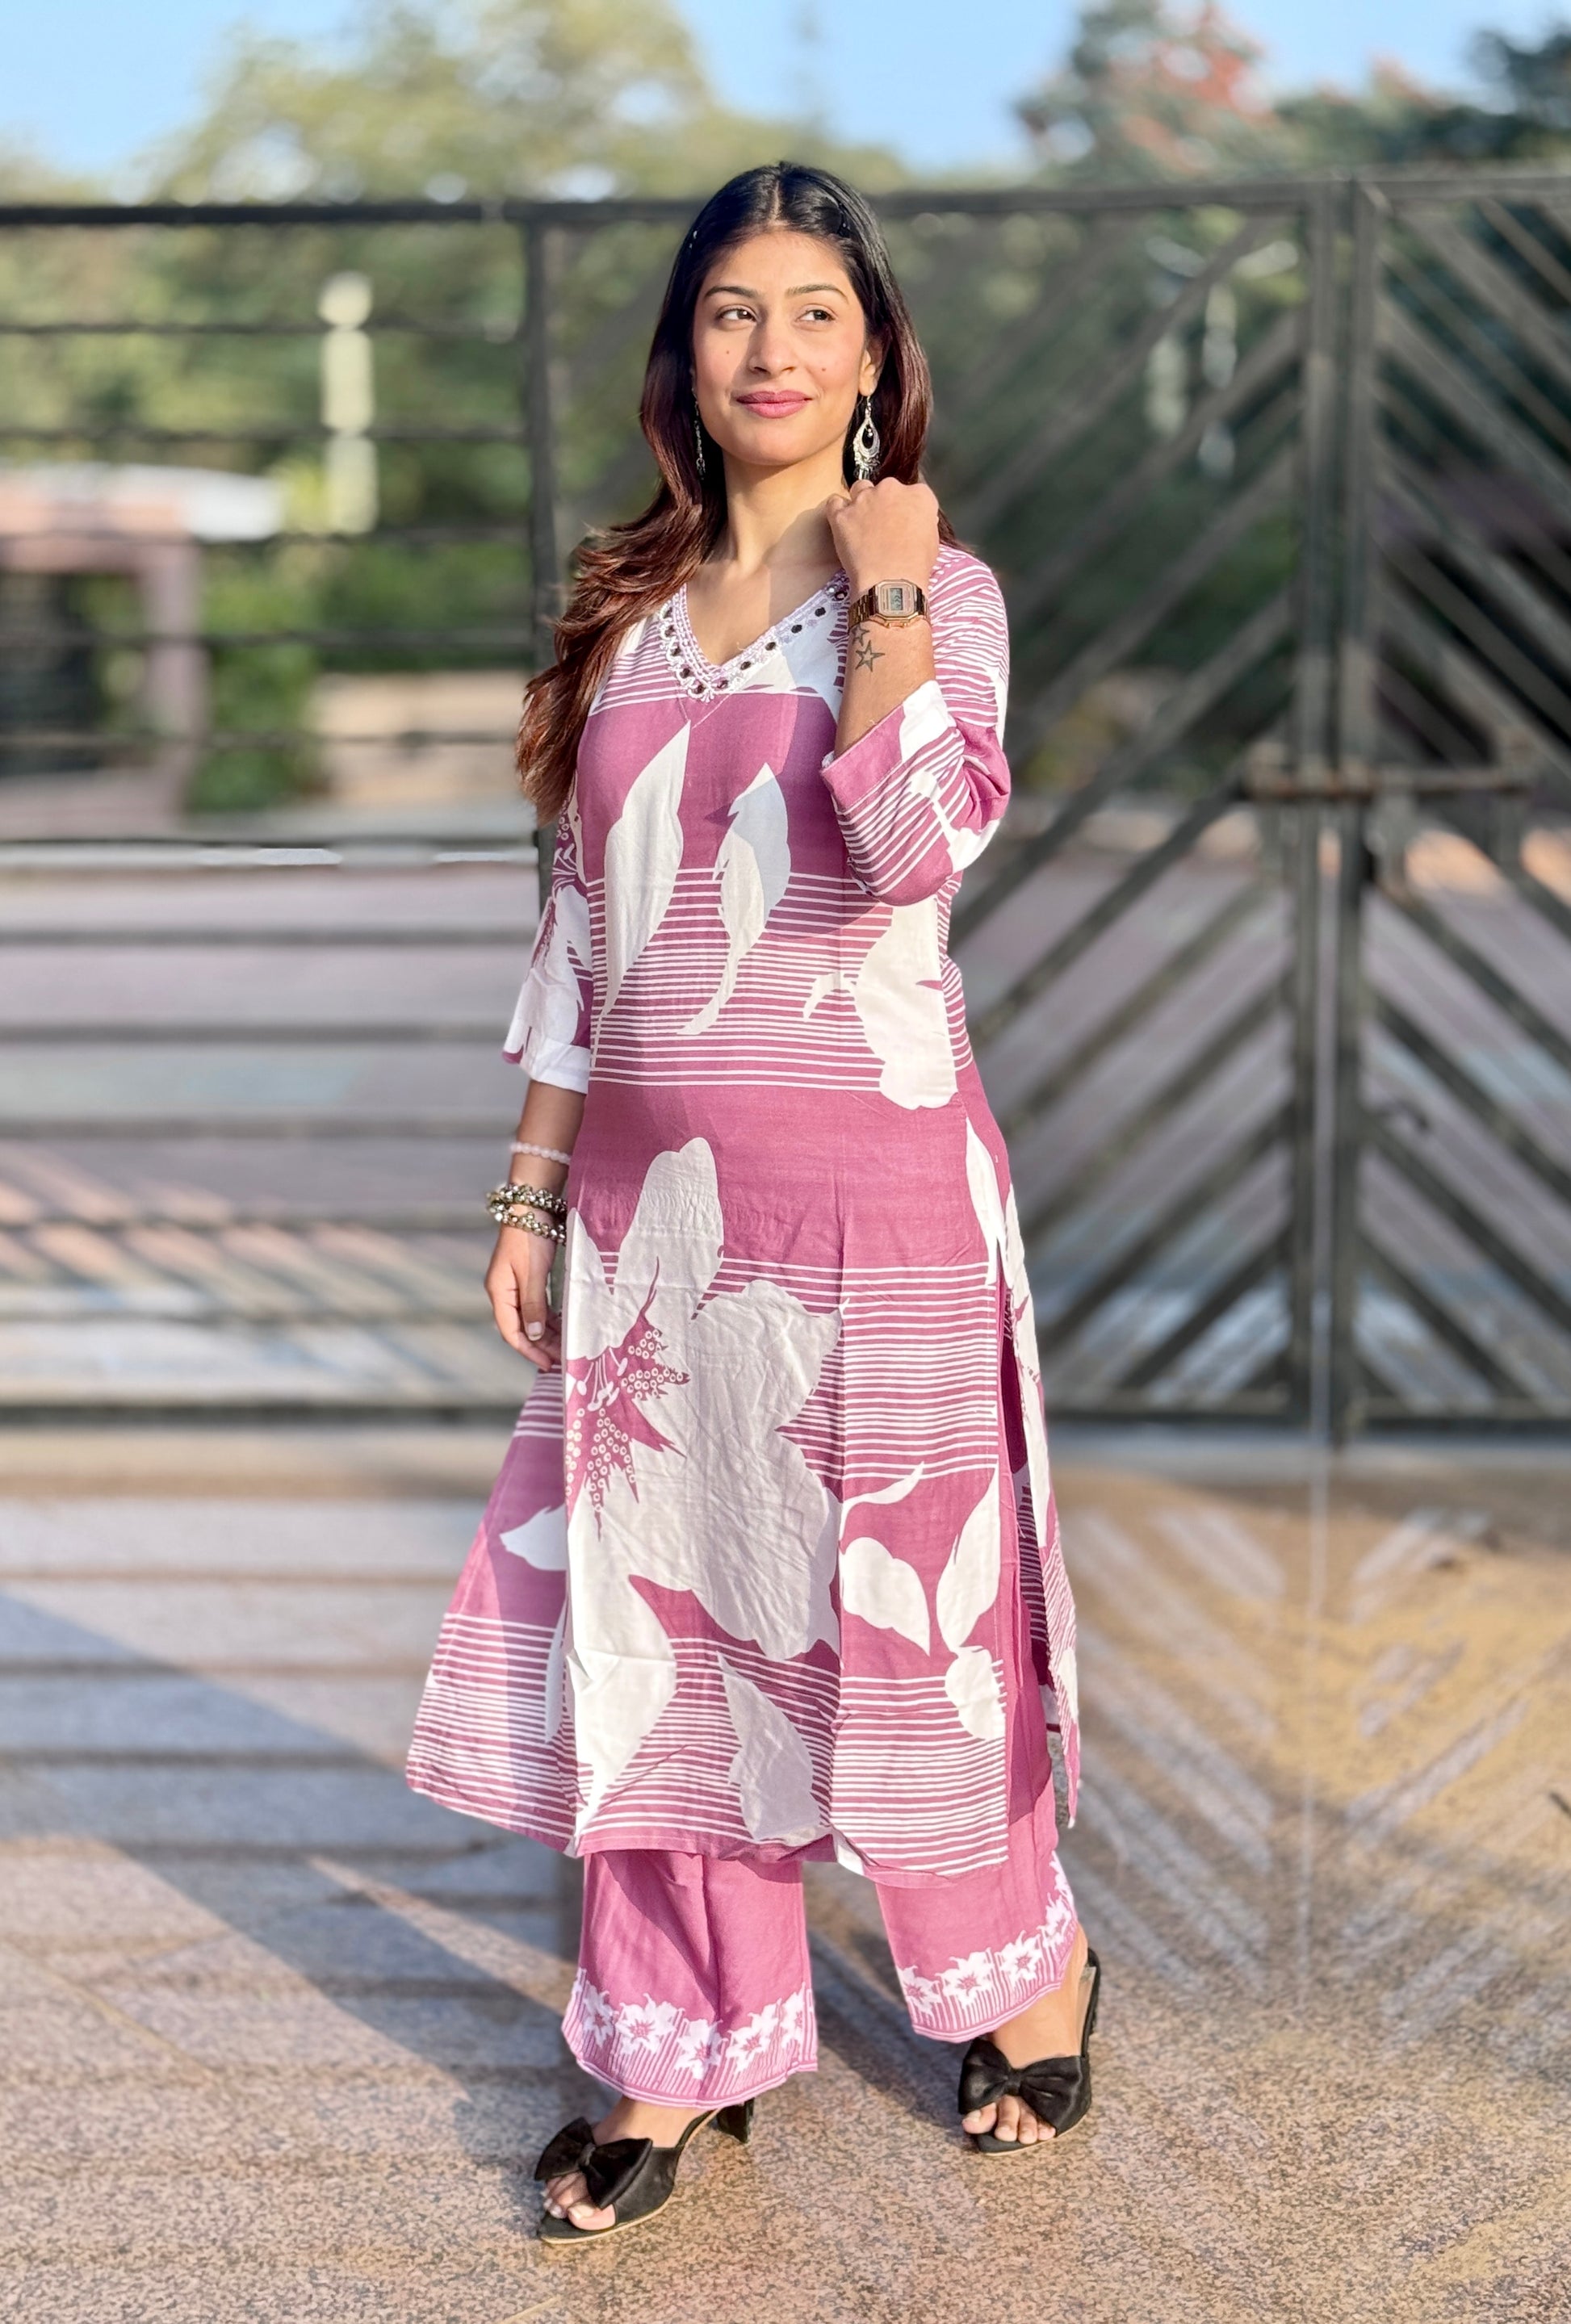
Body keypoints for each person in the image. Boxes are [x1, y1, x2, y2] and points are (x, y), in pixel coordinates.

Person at [406, 160, 1097, 2246]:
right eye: (732, 312)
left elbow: (910, 847)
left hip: (879, 1198)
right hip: (651, 1215)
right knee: (671, 1627)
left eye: (813, 313)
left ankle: (1019, 1974)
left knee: (910, 1621)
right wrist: (530, 1190)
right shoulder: (622, 611)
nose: (771, 349)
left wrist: (885, 594)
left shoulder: (941, 592)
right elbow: (582, 934)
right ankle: (673, 2043)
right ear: (682, 357)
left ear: (876, 358)